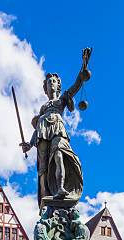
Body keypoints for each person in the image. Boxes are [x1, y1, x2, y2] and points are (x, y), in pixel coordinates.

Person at [20, 48, 92, 206]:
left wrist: (83, 67)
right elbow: (37, 129)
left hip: (58, 128)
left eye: (53, 81)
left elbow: (77, 85)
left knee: (59, 154)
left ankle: (60, 188)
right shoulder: (43, 109)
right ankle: (45, 201)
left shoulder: (62, 100)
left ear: (58, 86)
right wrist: (30, 145)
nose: (51, 84)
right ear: (45, 88)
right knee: (43, 169)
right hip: (43, 132)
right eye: (48, 82)